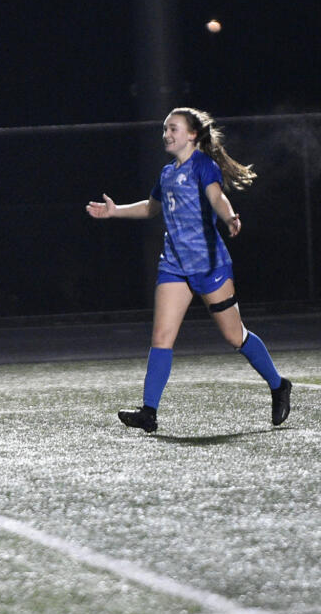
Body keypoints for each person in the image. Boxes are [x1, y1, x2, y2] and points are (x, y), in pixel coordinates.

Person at [86, 107, 291, 433]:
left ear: (193, 135)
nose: (167, 134)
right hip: (174, 266)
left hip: (210, 266)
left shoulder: (203, 166)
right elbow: (152, 207)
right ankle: (149, 412)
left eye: (174, 129)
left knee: (234, 336)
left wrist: (230, 216)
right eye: (165, 129)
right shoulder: (167, 173)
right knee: (161, 337)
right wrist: (115, 212)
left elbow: (217, 196)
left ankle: (279, 385)